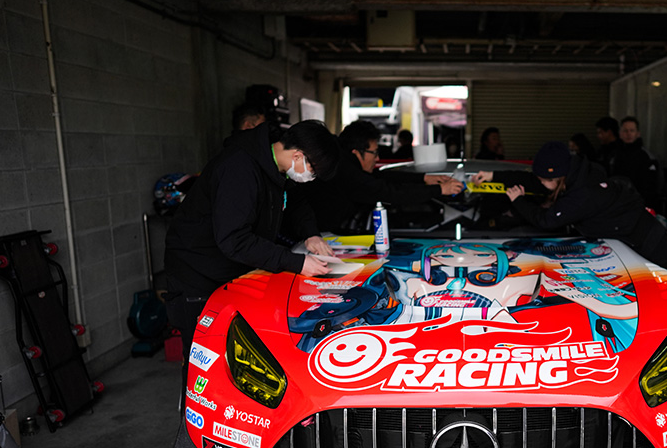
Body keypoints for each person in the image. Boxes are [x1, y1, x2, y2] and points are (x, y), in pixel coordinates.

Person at [164, 120, 341, 361]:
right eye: (314, 172)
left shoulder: (278, 167)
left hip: (231, 268)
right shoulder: (239, 169)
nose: (311, 178)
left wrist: (311, 234)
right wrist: (297, 262)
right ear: (298, 156)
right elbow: (234, 240)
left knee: (237, 353)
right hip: (196, 272)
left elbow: (296, 202)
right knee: (205, 356)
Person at [471, 141, 667, 268]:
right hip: (624, 243)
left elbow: (546, 221)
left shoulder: (583, 193)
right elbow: (532, 180)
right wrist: (493, 175)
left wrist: (518, 201)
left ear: (557, 177)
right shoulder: (573, 173)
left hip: (650, 246)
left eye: (543, 179)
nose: (540, 183)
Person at [286, 120, 463, 235]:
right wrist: (439, 190)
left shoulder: (345, 162)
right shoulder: (344, 171)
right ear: (356, 152)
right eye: (374, 153)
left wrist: (423, 179)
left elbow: (382, 177)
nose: (377, 158)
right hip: (307, 236)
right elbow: (388, 192)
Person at [615, 116, 661, 211]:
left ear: (638, 133)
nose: (628, 134)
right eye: (625, 131)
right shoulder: (614, 156)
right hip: (618, 204)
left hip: (639, 205)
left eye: (632, 130)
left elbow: (651, 188)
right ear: (620, 134)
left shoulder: (647, 158)